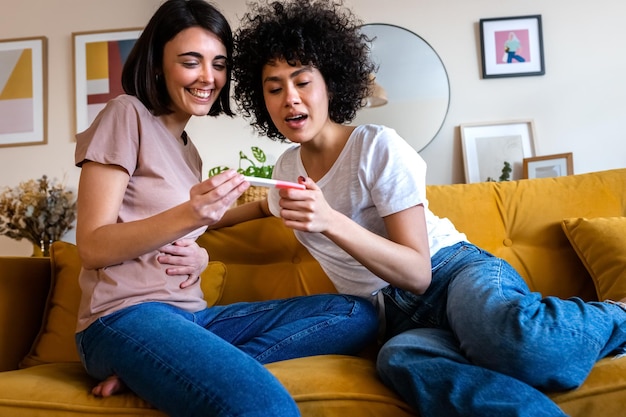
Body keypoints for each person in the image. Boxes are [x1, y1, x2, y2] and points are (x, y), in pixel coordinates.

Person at [217, 0, 626, 416]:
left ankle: (617, 315)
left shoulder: (377, 146)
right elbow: (264, 208)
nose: (289, 98)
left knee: (509, 341)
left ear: (330, 84)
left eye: (302, 82)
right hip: (396, 320)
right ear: (261, 99)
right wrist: (206, 217)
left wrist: (330, 221)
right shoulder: (287, 166)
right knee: (400, 360)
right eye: (274, 88)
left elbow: (417, 271)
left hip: (454, 273)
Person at [73, 1, 379, 416]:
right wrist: (191, 216)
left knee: (354, 312)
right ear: (158, 64)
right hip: (124, 319)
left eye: (219, 63)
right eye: (190, 61)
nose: (208, 77)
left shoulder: (189, 152)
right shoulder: (125, 114)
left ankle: (165, 368)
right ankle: (162, 362)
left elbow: (173, 226)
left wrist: (218, 239)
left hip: (192, 321)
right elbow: (92, 246)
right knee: (264, 405)